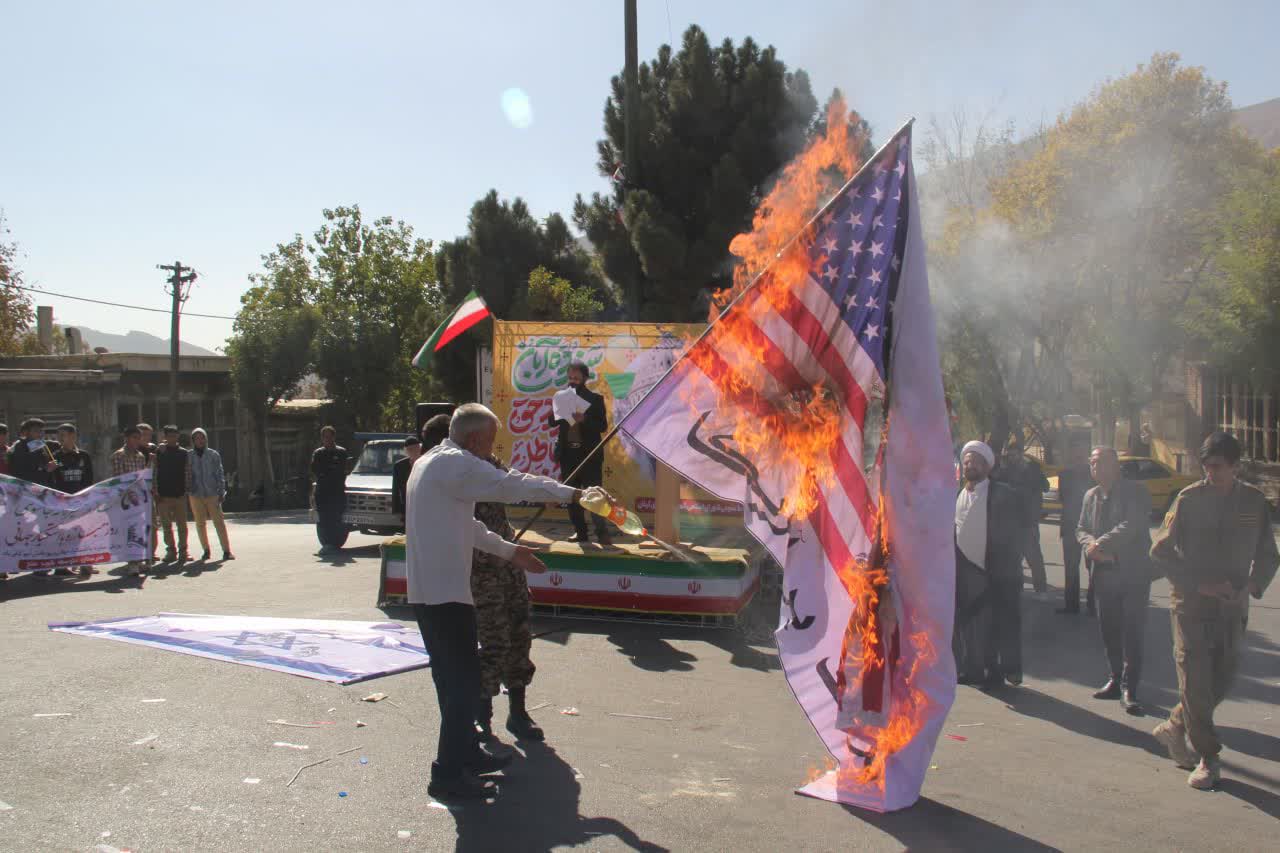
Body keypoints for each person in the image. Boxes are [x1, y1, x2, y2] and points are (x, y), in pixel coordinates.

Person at [406, 403, 595, 801]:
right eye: (490, 441)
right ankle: (447, 775)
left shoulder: (432, 462)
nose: (491, 450)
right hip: (444, 596)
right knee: (461, 686)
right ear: (475, 438)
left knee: (455, 682)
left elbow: (468, 526)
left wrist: (511, 552)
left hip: (433, 592)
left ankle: (466, 754)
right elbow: (513, 484)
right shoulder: (456, 464)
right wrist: (575, 495)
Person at [1150, 431, 1278, 790]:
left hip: (1232, 609)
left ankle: (1175, 725)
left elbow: (1268, 554)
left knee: (1221, 680)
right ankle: (1208, 757)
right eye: (1206, 466)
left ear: (1235, 466)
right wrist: (1200, 584)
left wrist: (1251, 586)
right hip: (1191, 606)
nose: (1210, 473)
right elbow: (1159, 551)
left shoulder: (1254, 501)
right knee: (1195, 682)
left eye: (1218, 467)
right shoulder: (1188, 499)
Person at [1076, 447, 1153, 714]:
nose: (1095, 467)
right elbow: (1081, 528)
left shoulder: (1136, 492)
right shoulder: (1091, 495)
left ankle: (1130, 687)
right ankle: (1115, 677)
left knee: (1132, 631)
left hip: (1132, 572)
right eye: (1092, 463)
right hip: (1103, 573)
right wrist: (1090, 544)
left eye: (1100, 462)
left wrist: (1100, 544)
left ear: (1115, 465)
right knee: (1108, 629)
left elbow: (1132, 525)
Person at [952, 440, 1025, 689]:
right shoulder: (958, 494)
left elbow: (1017, 531)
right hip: (966, 571)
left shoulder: (1002, 493)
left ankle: (1001, 671)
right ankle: (973, 670)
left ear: (987, 466)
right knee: (970, 625)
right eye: (966, 462)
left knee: (998, 624)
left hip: (996, 570)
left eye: (976, 461)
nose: (970, 465)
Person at [548, 361, 611, 545]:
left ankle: (602, 533)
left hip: (589, 456)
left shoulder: (595, 399)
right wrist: (559, 411)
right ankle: (580, 532)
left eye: (576, 378)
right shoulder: (561, 397)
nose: (572, 381)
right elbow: (552, 422)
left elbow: (602, 426)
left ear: (584, 378)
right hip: (568, 455)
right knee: (571, 495)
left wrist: (584, 419)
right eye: (570, 378)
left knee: (595, 496)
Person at [995, 445, 1050, 598]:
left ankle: (1041, 589)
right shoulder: (1006, 471)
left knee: (1034, 557)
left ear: (1021, 454)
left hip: (1028, 520)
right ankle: (1016, 589)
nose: (1012, 458)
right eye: (1009, 456)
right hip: (1011, 521)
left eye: (1014, 455)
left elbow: (1045, 486)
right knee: (1013, 558)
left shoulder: (1033, 469)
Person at [51, 423, 98, 577]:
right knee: (63, 534)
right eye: (58, 435)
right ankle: (61, 567)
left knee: (83, 533)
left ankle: (85, 564)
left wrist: (87, 498)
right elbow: (52, 480)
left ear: (73, 436)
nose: (60, 438)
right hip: (62, 502)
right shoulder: (54, 456)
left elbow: (89, 479)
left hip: (81, 501)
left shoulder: (84, 456)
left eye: (63, 435)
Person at [1056, 443, 1096, 615]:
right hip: (1076, 527)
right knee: (1079, 568)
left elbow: (1062, 498)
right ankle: (1082, 605)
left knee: (1089, 567)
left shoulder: (1088, 474)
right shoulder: (1068, 474)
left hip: (1087, 528)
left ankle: (1084, 605)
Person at [188, 427, 234, 561]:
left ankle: (226, 551)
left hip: (212, 493)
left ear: (206, 439)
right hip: (195, 494)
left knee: (219, 523)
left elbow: (219, 473)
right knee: (200, 523)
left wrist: (221, 491)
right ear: (193, 441)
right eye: (197, 438)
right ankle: (206, 550)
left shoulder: (213, 454)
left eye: (202, 437)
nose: (200, 440)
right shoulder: (189, 456)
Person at [111, 426, 151, 576]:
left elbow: (142, 477)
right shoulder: (118, 455)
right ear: (126, 438)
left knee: (139, 530)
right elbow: (119, 479)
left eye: (139, 438)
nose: (137, 441)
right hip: (125, 499)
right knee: (129, 530)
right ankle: (132, 563)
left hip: (139, 498)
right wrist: (130, 494)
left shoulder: (140, 456)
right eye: (134, 437)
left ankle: (138, 560)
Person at [152, 425, 191, 565]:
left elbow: (187, 472)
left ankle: (183, 551)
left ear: (178, 436)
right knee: (166, 526)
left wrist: (186, 490)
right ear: (165, 437)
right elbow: (154, 472)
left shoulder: (184, 453)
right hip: (163, 495)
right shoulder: (159, 452)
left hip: (180, 495)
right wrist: (155, 492)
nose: (172, 438)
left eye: (175, 435)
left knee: (182, 526)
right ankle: (171, 551)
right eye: (169, 436)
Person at [311, 426, 349, 556]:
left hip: (337, 491)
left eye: (329, 436)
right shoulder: (318, 453)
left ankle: (335, 543)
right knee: (323, 518)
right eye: (324, 437)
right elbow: (316, 470)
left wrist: (329, 471)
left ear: (334, 437)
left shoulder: (341, 452)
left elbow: (341, 470)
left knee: (336, 518)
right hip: (323, 491)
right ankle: (326, 544)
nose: (327, 439)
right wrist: (328, 471)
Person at [8, 418, 58, 487]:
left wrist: (49, 466)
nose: (40, 434)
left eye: (41, 431)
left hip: (43, 488)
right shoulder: (19, 448)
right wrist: (46, 469)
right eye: (36, 431)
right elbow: (22, 473)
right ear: (26, 432)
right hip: (27, 489)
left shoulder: (41, 445)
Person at [391, 435, 422, 524]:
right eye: (410, 449)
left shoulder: (427, 463)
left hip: (423, 504)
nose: (413, 452)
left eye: (415, 448)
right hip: (407, 507)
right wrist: (396, 510)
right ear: (406, 451)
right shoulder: (399, 466)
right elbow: (395, 489)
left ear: (420, 448)